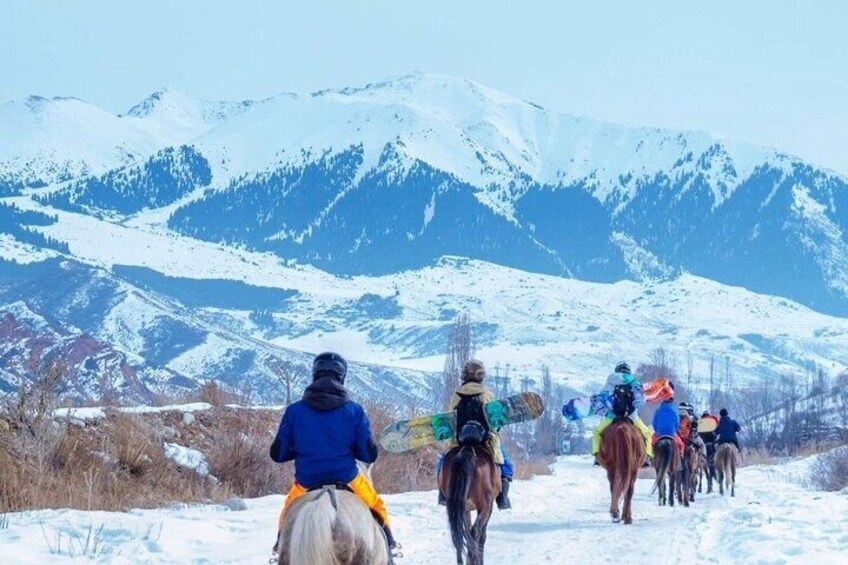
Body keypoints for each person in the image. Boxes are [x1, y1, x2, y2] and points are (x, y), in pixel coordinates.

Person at [269, 352, 399, 556]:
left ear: (315, 375)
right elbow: (368, 455)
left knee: (287, 513)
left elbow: (278, 454)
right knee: (376, 505)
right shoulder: (354, 411)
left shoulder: (294, 411)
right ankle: (390, 548)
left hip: (306, 482)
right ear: (342, 377)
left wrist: (300, 447)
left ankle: (280, 549)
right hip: (348, 478)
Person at [438, 359, 514, 510]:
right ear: (481, 375)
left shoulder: (456, 395)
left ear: (464, 375)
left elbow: (451, 418)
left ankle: (442, 494)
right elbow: (495, 421)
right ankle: (502, 498)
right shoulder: (487, 394)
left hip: (460, 440)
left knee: (442, 463)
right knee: (506, 464)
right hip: (484, 440)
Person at [591, 362, 654, 463]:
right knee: (647, 433)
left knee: (597, 432)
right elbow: (639, 398)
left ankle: (597, 457)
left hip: (612, 417)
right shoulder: (634, 381)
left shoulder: (610, 381)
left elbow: (602, 398)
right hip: (631, 416)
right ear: (628, 371)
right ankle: (647, 457)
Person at [651, 384, 684, 456]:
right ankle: (681, 457)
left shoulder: (658, 410)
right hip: (672, 435)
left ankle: (653, 457)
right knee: (681, 445)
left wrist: (658, 431)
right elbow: (677, 425)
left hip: (659, 435)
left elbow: (654, 424)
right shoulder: (675, 411)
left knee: (652, 443)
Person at [699, 410, 720, 492]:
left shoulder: (700, 422)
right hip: (712, 443)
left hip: (704, 443)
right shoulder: (712, 420)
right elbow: (717, 428)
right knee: (712, 464)